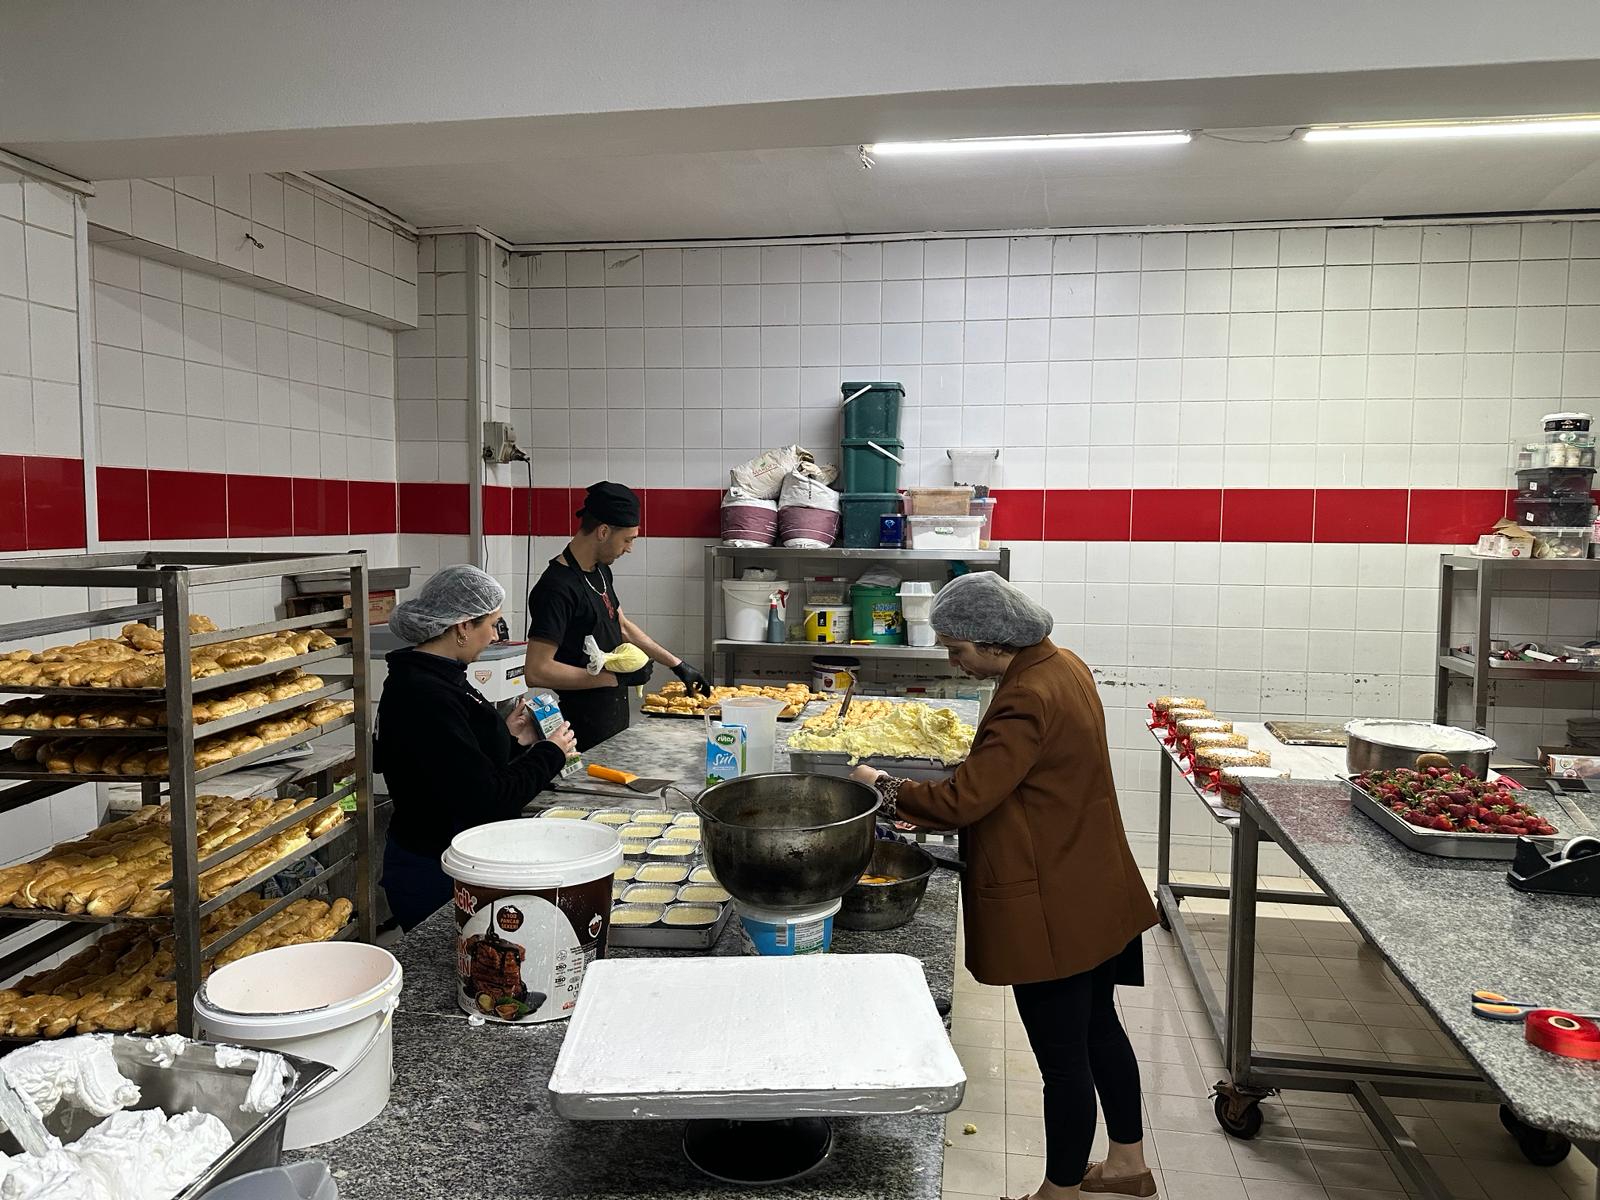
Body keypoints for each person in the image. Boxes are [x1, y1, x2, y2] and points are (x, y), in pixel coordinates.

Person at [850, 573, 1158, 1200]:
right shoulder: (1063, 665)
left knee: (1063, 1062)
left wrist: (882, 785)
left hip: (1052, 902)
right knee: (1100, 1028)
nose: (953, 661)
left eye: (957, 649)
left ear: (994, 642)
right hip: (1095, 884)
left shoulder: (1026, 698)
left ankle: (1059, 1191)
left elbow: (964, 800)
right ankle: (1128, 1164)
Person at [375, 565, 577, 930]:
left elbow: (457, 763)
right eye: (493, 625)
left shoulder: (438, 675)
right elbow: (487, 798)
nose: (495, 636)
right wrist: (551, 753)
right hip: (433, 872)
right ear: (463, 627)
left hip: (448, 857)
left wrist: (510, 738)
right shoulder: (426, 693)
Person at [524, 480, 710, 751]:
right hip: (580, 730)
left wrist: (677, 665)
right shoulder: (556, 588)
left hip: (612, 721)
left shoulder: (600, 571)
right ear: (603, 531)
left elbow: (621, 626)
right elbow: (537, 671)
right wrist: (615, 678)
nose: (629, 548)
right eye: (627, 539)